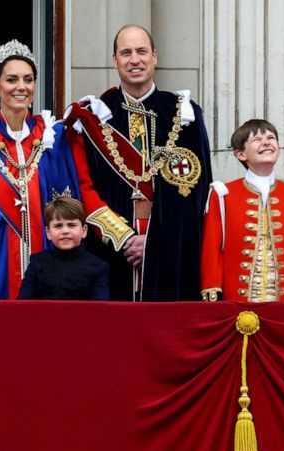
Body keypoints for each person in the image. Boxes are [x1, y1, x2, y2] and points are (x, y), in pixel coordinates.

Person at [0, 39, 126, 300]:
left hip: (52, 266)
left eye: (28, 79)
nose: (21, 87)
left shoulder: (54, 135)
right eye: (12, 79)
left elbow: (73, 200)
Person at [64, 24, 213, 301]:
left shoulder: (186, 114)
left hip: (171, 256)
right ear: (115, 61)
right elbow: (84, 188)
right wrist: (125, 238)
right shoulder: (92, 117)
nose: (135, 59)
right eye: (126, 53)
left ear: (154, 56)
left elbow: (196, 193)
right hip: (110, 254)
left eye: (142, 51)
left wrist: (155, 242)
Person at [201, 119, 284, 302]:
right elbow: (212, 249)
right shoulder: (223, 194)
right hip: (235, 300)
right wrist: (212, 290)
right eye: (257, 139)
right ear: (240, 154)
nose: (266, 142)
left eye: (271, 137)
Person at [18, 194, 110, 300]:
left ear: (84, 231)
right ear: (48, 232)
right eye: (58, 226)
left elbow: (100, 310)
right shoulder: (37, 262)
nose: (65, 231)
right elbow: (23, 305)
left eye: (71, 225)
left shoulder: (98, 267)